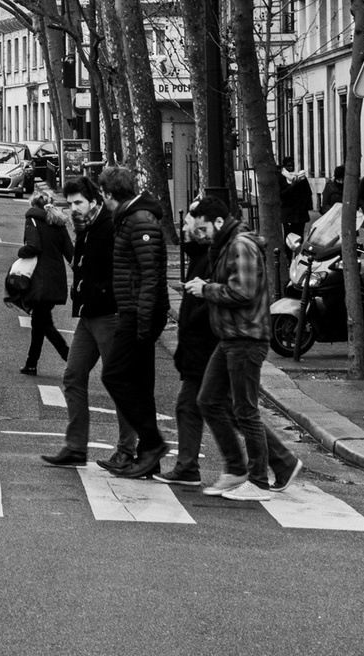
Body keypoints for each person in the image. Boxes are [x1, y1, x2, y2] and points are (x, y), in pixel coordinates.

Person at [185, 196, 304, 501]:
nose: (203, 234)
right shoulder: (228, 245)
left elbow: (243, 291)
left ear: (219, 222)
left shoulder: (241, 245)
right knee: (210, 400)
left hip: (246, 338)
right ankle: (248, 467)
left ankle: (258, 480)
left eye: (205, 229)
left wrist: (206, 289)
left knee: (245, 410)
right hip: (232, 337)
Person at [40, 176, 139, 470]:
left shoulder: (109, 226)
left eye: (78, 203)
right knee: (72, 375)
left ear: (95, 201)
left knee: (119, 381)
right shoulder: (86, 226)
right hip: (88, 314)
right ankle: (75, 446)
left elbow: (123, 267)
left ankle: (127, 450)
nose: (73, 209)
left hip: (109, 313)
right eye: (69, 204)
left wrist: (103, 292)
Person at [98, 165, 169, 479]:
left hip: (139, 313)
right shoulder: (132, 218)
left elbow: (150, 275)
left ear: (110, 195)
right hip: (137, 311)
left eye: (104, 195)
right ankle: (147, 456)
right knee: (140, 383)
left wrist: (142, 323)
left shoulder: (140, 221)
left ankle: (152, 444)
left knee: (114, 375)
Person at [154, 199, 220, 488]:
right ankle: (187, 466)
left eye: (190, 221)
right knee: (190, 406)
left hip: (208, 345)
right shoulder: (199, 254)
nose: (184, 226)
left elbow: (224, 297)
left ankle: (280, 462)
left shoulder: (213, 255)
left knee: (230, 411)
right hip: (199, 344)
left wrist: (200, 297)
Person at [19, 188, 72, 375]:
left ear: (34, 204)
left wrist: (20, 253)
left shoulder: (32, 219)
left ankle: (70, 357)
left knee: (44, 324)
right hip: (56, 279)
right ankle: (31, 363)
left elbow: (33, 246)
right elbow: (70, 254)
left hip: (39, 280)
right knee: (39, 322)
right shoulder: (58, 222)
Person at [279, 157, 313, 241]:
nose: (291, 168)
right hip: (288, 213)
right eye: (288, 166)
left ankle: (298, 253)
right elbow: (281, 195)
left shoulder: (301, 178)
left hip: (300, 213)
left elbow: (308, 192)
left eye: (292, 166)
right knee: (289, 238)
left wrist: (303, 205)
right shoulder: (281, 178)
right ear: (284, 167)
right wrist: (291, 186)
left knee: (300, 236)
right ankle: (288, 254)